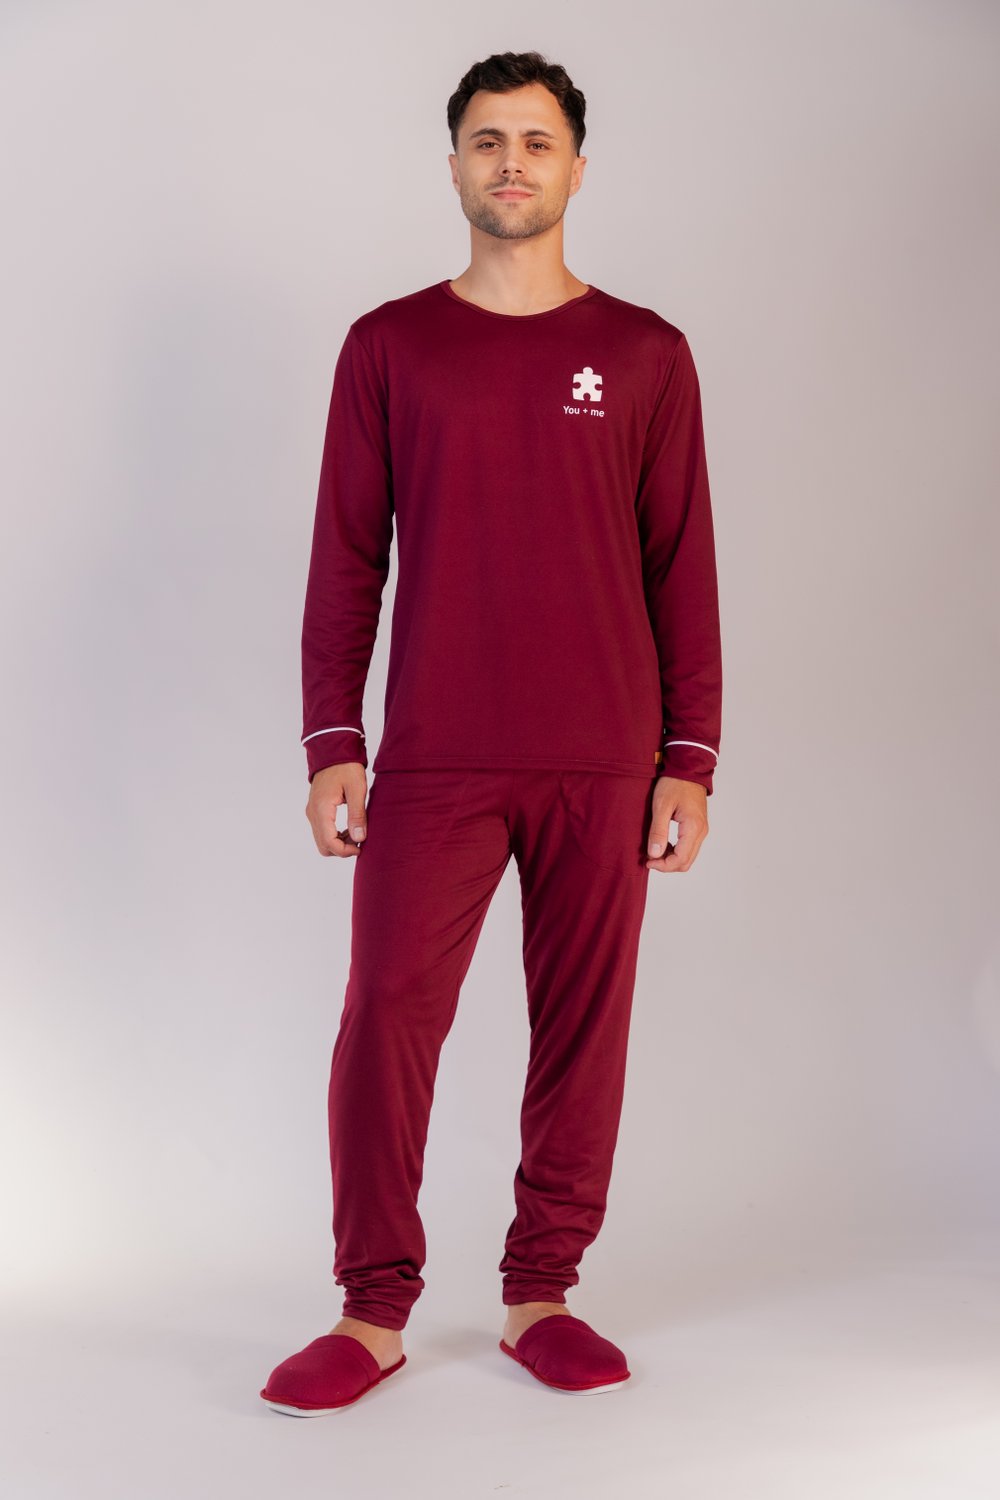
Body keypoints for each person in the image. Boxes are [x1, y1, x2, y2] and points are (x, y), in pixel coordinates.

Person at [260, 48, 723, 1415]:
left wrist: (690, 757)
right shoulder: (390, 347)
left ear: (578, 166)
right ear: (454, 164)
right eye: (486, 141)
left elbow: (681, 564)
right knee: (384, 1018)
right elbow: (349, 555)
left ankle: (541, 1295)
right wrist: (332, 739)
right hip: (436, 756)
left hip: (603, 753)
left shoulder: (646, 354)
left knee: (584, 1031)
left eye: (535, 141)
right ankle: (371, 1312)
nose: (511, 162)